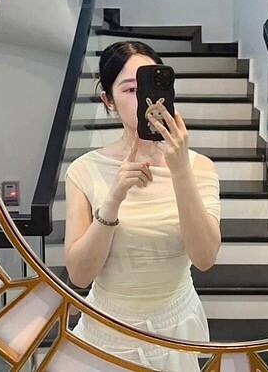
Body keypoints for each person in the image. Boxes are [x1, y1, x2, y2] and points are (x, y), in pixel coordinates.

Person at [64, 41, 221, 371]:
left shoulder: (199, 167)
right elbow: (79, 274)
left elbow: (205, 258)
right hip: (107, 330)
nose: (145, 100)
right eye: (130, 89)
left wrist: (180, 171)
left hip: (174, 329)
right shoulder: (84, 170)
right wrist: (113, 199)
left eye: (151, 85)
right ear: (108, 100)